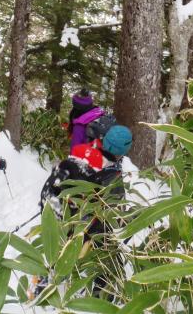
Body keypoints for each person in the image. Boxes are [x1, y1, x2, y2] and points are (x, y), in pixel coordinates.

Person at [37, 124, 133, 299]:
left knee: (55, 244)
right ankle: (103, 292)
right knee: (106, 242)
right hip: (76, 215)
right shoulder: (109, 174)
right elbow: (112, 212)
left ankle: (43, 281)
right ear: (122, 151)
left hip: (50, 200)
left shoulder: (81, 149)